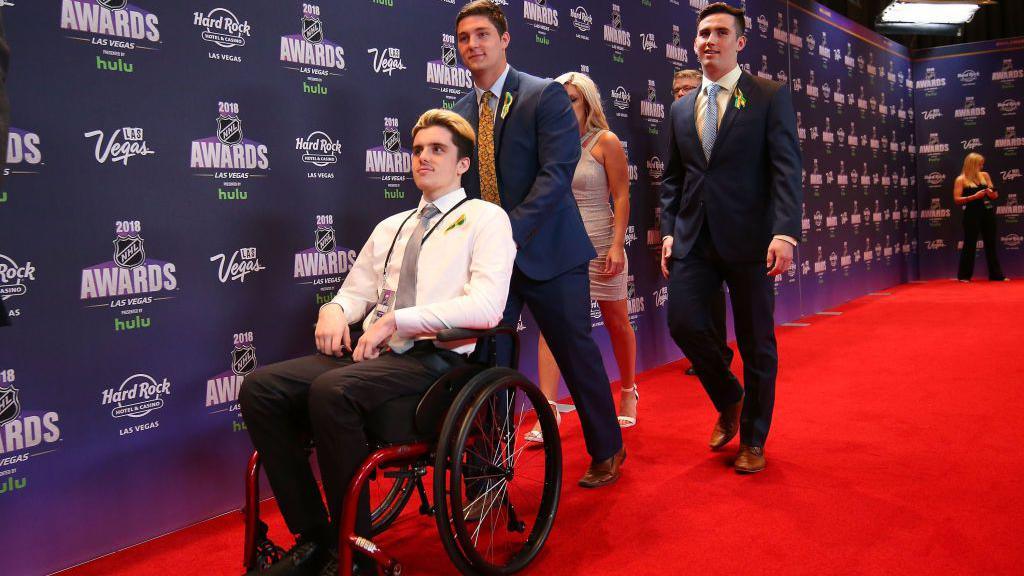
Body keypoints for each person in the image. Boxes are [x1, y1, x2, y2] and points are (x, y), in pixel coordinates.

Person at [238, 109, 516, 576]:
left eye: (437, 150)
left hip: (439, 362)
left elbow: (488, 307)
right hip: (378, 355)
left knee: (332, 391)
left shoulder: (485, 219)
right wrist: (334, 311)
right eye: (418, 150)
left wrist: (398, 322)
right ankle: (316, 539)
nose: (423, 158)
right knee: (260, 388)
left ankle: (355, 552)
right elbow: (355, 293)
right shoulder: (392, 225)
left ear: (463, 164)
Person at [452, 0, 625, 487]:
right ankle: (489, 468)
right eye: (464, 38)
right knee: (489, 361)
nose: (473, 45)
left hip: (551, 253)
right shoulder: (459, 114)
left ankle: (607, 448)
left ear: (505, 39)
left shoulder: (543, 94)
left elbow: (555, 175)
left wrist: (504, 234)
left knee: (574, 352)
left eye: (483, 34)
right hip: (491, 266)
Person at [660, 2, 802, 474]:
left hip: (751, 240)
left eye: (720, 32)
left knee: (757, 342)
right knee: (682, 321)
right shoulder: (681, 108)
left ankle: (755, 439)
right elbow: (674, 180)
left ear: (740, 43)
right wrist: (667, 232)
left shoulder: (767, 95)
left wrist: (784, 232)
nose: (709, 40)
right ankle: (730, 396)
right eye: (702, 33)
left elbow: (786, 169)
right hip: (693, 238)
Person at [524, 71, 636, 445]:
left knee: (617, 320)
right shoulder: (548, 144)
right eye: (562, 98)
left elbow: (621, 196)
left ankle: (628, 390)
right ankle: (549, 408)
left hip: (601, 241)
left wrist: (617, 245)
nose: (566, 105)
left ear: (588, 103)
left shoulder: (606, 141)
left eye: (573, 99)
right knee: (552, 327)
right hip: (560, 245)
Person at [671, 68, 734, 378]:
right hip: (689, 224)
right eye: (677, 90)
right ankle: (712, 354)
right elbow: (674, 178)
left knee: (716, 294)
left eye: (687, 88)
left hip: (728, 222)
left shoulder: (725, 115)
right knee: (687, 306)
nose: (681, 93)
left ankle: (719, 353)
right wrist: (670, 230)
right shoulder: (678, 117)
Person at [954, 152, 1007, 282]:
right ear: (972, 165)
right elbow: (956, 199)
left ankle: (996, 275)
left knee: (991, 244)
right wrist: (974, 197)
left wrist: (991, 192)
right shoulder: (961, 179)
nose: (982, 166)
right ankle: (964, 276)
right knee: (970, 244)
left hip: (987, 212)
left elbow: (995, 196)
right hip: (972, 214)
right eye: (980, 164)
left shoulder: (985, 175)